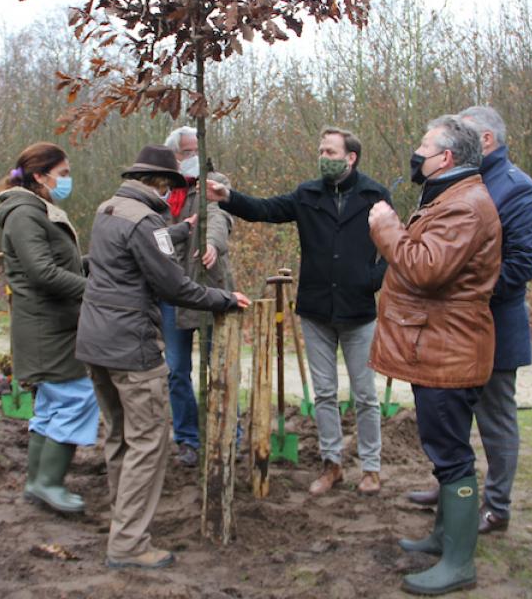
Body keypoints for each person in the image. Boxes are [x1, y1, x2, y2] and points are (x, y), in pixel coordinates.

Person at [75, 145, 250, 570]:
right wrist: (224, 299)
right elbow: (175, 287)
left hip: (95, 343)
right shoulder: (146, 220)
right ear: (158, 183)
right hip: (131, 347)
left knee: (118, 437)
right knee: (148, 444)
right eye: (169, 185)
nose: (170, 192)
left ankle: (123, 522)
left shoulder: (109, 210)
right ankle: (130, 544)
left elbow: (131, 254)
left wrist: (182, 230)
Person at [206, 127, 389, 496]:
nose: (323, 156)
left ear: (350, 157)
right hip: (317, 308)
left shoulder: (375, 195)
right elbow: (265, 210)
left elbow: (393, 242)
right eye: (320, 149)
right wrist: (227, 197)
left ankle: (371, 469)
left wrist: (373, 278)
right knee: (323, 393)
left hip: (358, 311)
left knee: (365, 395)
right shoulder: (308, 195)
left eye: (330, 151)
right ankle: (331, 464)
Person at [368, 115, 501, 595]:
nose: (416, 152)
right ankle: (446, 537)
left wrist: (386, 229)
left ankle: (459, 564)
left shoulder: (464, 206)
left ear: (445, 157)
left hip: (449, 350)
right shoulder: (451, 197)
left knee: (450, 454)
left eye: (424, 146)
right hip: (442, 345)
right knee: (445, 446)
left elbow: (425, 270)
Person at [406, 106, 532, 537]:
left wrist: (460, 294)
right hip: (453, 328)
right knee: (451, 415)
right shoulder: (461, 183)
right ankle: (450, 489)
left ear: (486, 140)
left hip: (496, 327)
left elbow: (521, 264)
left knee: (495, 419)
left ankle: (497, 505)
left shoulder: (517, 189)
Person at [0, 142, 100, 514]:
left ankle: (37, 483)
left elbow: (58, 264)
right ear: (40, 176)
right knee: (77, 397)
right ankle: (49, 483)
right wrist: (97, 291)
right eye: (64, 173)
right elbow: (41, 272)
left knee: (53, 404)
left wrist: (97, 264)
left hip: (53, 324)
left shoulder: (37, 210)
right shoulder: (24, 213)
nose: (68, 180)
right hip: (46, 328)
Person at [160, 126, 236, 467]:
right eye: (185, 153)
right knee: (176, 369)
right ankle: (187, 439)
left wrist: (212, 244)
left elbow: (220, 218)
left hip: (206, 287)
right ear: (173, 158)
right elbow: (154, 235)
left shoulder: (212, 183)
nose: (192, 158)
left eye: (195, 151)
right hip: (171, 292)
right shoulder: (161, 193)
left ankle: (228, 432)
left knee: (217, 365)